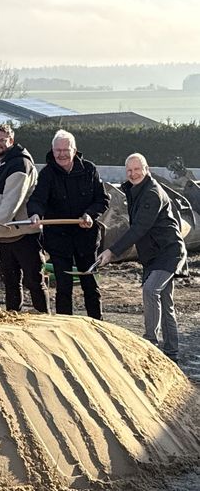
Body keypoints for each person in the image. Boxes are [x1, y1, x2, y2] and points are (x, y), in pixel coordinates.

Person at [96, 153, 187, 362]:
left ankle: (150, 343)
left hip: (168, 251)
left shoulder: (152, 193)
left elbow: (139, 228)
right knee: (165, 301)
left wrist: (112, 252)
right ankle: (172, 352)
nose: (133, 173)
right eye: (129, 170)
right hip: (154, 254)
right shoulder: (134, 189)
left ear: (146, 169)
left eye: (137, 169)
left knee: (150, 290)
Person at [27, 130, 109, 319]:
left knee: (90, 285)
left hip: (85, 238)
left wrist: (90, 214)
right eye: (58, 150)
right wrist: (35, 214)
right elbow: (37, 200)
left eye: (65, 150)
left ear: (74, 150)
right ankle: (65, 326)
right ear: (52, 151)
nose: (61, 154)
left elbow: (102, 200)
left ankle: (98, 325)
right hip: (58, 239)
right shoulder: (47, 173)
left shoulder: (89, 169)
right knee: (63, 286)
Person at [0, 124, 49, 313]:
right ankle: (13, 319)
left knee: (34, 281)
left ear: (11, 140)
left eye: (2, 140)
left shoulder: (20, 163)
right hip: (4, 234)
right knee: (10, 283)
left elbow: (12, 201)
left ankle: (45, 319)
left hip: (23, 232)